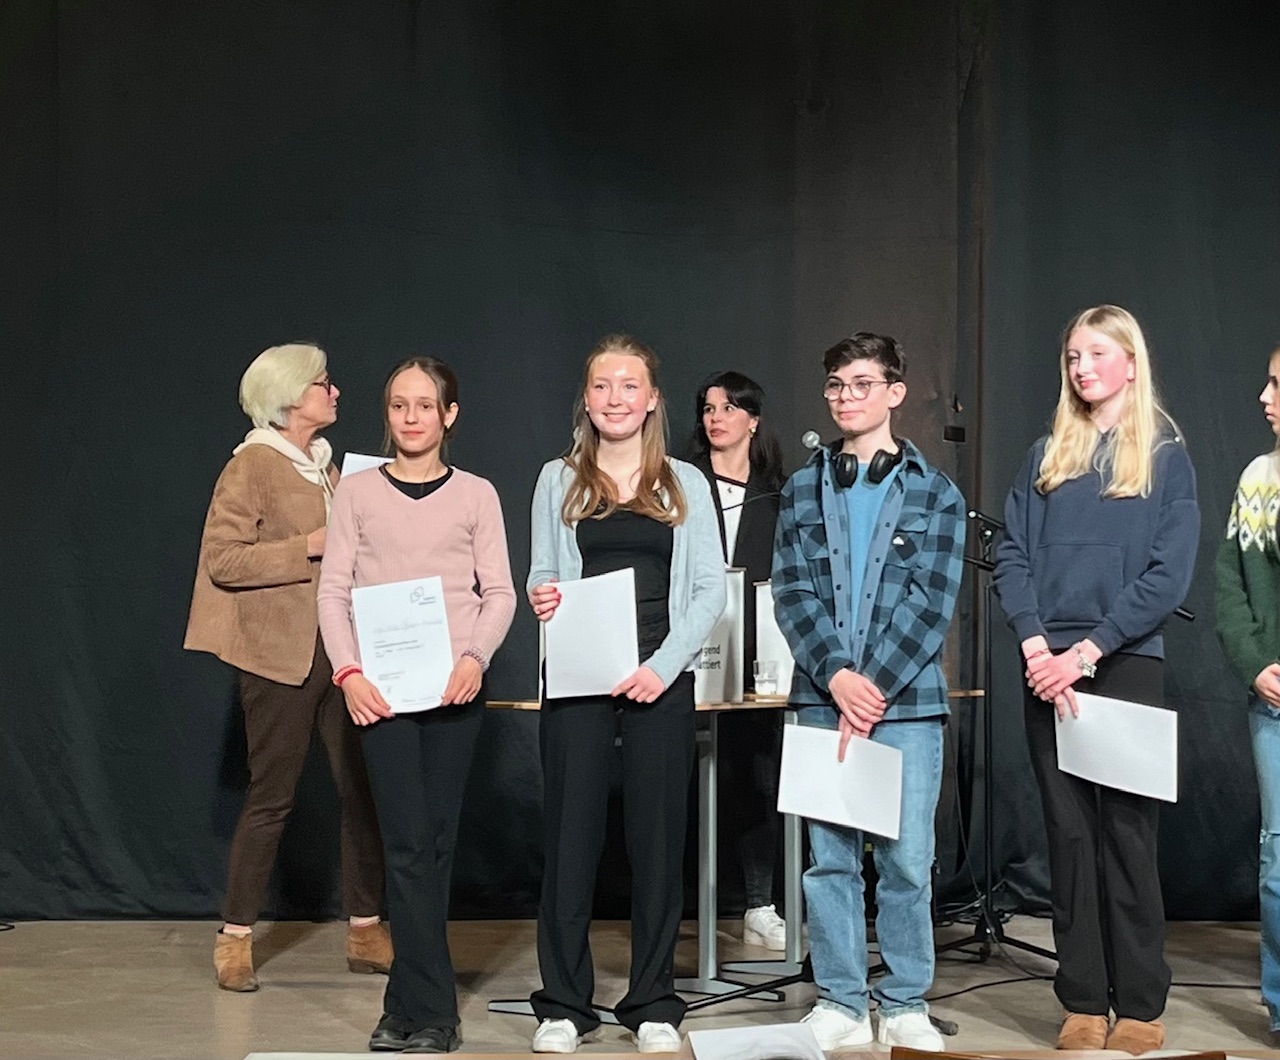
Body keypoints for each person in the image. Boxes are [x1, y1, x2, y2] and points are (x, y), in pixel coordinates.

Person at [993, 305, 1199, 1054]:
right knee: (1070, 836)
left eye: (1097, 354)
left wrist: (1086, 653)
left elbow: (1167, 576)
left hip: (1124, 664)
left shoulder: (1166, 457)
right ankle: (1082, 1000)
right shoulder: (1045, 455)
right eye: (1073, 356)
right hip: (1045, 669)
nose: (1082, 368)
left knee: (1128, 837)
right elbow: (1012, 554)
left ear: (1131, 364)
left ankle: (1140, 1005)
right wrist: (1035, 644)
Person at [526, 334, 726, 1054]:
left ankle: (653, 1003)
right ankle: (563, 1005)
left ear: (651, 401)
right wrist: (542, 594)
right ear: (587, 399)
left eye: (629, 386)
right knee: (569, 841)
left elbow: (709, 590)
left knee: (657, 842)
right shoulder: (557, 478)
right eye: (602, 386)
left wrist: (662, 667)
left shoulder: (685, 482)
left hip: (657, 680)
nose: (615, 398)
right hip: (578, 676)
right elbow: (542, 573)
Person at [772, 332, 965, 1052]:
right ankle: (842, 1002)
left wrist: (872, 687)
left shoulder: (936, 493)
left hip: (906, 705)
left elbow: (931, 603)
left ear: (895, 393)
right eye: (836, 386)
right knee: (829, 862)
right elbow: (792, 592)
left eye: (861, 384)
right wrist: (837, 676)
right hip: (823, 699)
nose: (846, 397)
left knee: (907, 862)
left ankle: (906, 1001)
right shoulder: (800, 489)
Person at [317, 356, 516, 1053]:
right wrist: (348, 673)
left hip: (453, 691)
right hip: (381, 696)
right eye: (399, 404)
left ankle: (406, 1006)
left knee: (434, 846)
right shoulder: (356, 493)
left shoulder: (477, 495)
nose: (410, 417)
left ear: (448, 415)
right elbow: (333, 591)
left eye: (425, 405)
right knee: (404, 846)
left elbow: (500, 593)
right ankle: (434, 1014)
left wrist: (475, 658)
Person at [185, 342, 390, 992]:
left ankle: (366, 928)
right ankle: (235, 937)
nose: (335, 392)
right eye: (323, 383)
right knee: (272, 797)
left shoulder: (329, 468)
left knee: (360, 790)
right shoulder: (252, 465)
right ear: (290, 395)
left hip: (342, 652)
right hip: (279, 657)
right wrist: (309, 545)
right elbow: (224, 560)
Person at [687, 370, 789, 950]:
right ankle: (676, 904)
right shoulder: (680, 482)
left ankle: (759, 902)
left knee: (757, 774)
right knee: (684, 776)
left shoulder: (778, 492)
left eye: (728, 408)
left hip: (756, 654)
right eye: (708, 408)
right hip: (686, 649)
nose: (715, 418)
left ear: (753, 420)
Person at [1216, 343, 1280, 1042]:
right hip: (1275, 704)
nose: (1265, 398)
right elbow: (1230, 585)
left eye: (1277, 385)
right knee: (1279, 861)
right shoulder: (1259, 479)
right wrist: (1255, 661)